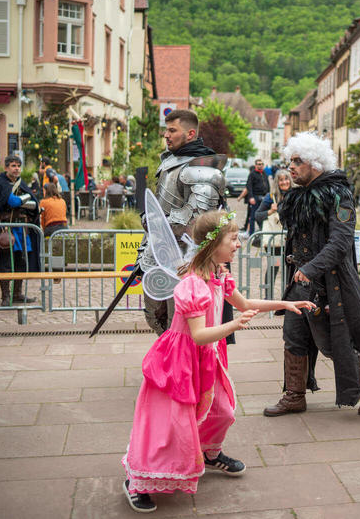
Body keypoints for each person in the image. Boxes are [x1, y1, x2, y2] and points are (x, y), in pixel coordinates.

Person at [122, 209, 314, 512]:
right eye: (233, 239)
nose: (238, 244)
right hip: (181, 359)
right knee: (168, 426)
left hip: (207, 357)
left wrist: (285, 303)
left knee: (222, 410)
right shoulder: (192, 285)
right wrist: (234, 325)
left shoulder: (217, 276)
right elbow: (198, 335)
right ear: (214, 244)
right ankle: (138, 480)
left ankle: (210, 453)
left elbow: (246, 303)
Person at [264, 131, 360, 417]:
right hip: (299, 281)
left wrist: (310, 268)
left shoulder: (339, 194)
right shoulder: (297, 196)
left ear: (315, 163)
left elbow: (340, 242)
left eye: (297, 161)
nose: (290, 167)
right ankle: (294, 395)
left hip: (329, 283)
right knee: (293, 337)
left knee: (330, 343)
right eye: (290, 160)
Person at [139, 109, 229, 337]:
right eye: (165, 130)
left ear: (190, 133)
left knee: (181, 326)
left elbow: (198, 221)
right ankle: (171, 367)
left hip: (188, 261)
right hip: (161, 254)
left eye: (172, 130)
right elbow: (161, 205)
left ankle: (184, 371)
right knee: (156, 318)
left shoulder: (202, 169)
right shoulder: (171, 162)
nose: (166, 135)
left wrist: (156, 223)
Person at [0, 155, 40, 305]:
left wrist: (27, 202)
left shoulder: (21, 183)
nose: (16, 168)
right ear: (6, 168)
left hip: (21, 229)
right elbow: (12, 201)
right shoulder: (1, 182)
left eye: (18, 165)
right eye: (13, 165)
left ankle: (17, 294)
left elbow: (34, 203)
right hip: (5, 229)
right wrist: (24, 200)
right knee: (5, 262)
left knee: (21, 261)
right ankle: (5, 296)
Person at [254, 168, 292, 297]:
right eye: (281, 180)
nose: (284, 182)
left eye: (286, 179)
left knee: (290, 270)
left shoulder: (297, 195)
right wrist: (270, 211)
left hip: (292, 241)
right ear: (277, 182)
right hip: (276, 243)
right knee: (273, 268)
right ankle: (268, 298)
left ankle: (289, 298)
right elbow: (257, 215)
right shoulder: (271, 197)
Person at [244, 159, 270, 235]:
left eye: (262, 164)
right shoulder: (252, 174)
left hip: (264, 198)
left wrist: (269, 195)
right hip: (255, 198)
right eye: (259, 164)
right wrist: (251, 197)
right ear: (255, 165)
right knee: (253, 216)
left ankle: (263, 231)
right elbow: (249, 186)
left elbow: (268, 185)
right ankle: (251, 233)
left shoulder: (264, 173)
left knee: (263, 215)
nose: (260, 165)